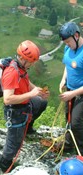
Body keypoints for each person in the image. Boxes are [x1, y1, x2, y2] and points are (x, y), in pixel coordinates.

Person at [0, 40, 50, 173]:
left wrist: (37, 91)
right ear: (22, 57)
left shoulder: (21, 67)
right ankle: (5, 166)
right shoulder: (12, 72)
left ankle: (28, 127)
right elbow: (7, 99)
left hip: (25, 105)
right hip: (15, 112)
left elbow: (25, 80)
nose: (32, 64)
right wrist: (31, 94)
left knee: (41, 102)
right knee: (14, 144)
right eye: (30, 61)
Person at [59, 21, 83, 155]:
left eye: (68, 41)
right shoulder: (68, 48)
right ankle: (68, 146)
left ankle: (81, 152)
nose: (67, 45)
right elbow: (67, 64)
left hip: (80, 93)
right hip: (70, 89)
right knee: (67, 118)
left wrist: (73, 93)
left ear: (76, 35)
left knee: (76, 122)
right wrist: (64, 79)